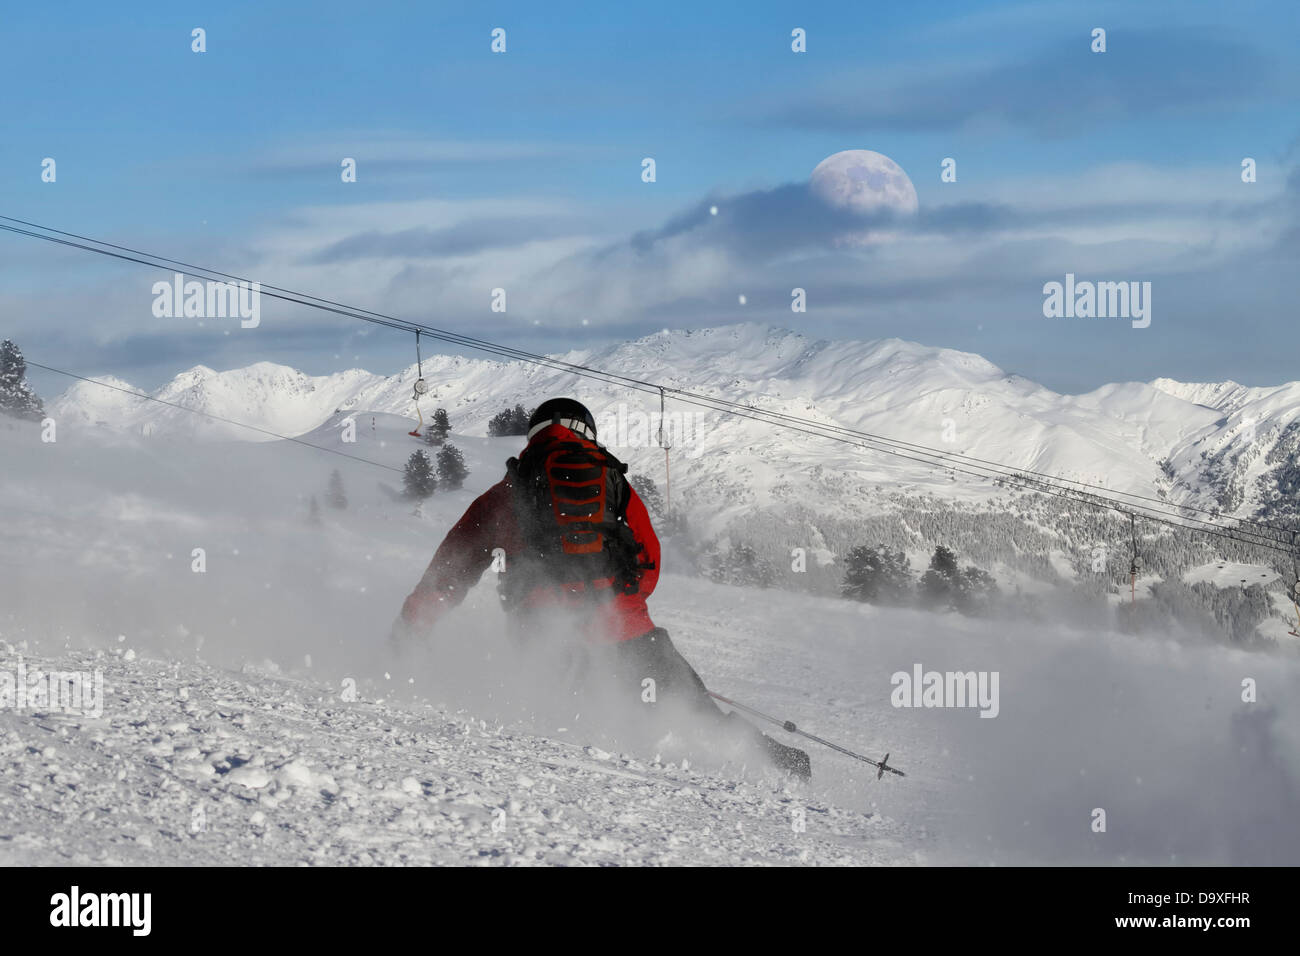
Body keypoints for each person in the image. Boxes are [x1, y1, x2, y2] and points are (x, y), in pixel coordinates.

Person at [393, 397, 811, 780]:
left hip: (544, 641)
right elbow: (649, 561)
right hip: (632, 635)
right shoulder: (614, 482)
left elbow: (448, 574)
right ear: (586, 432)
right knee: (695, 715)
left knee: (583, 743)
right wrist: (620, 608)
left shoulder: (502, 497)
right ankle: (778, 769)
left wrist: (409, 629)